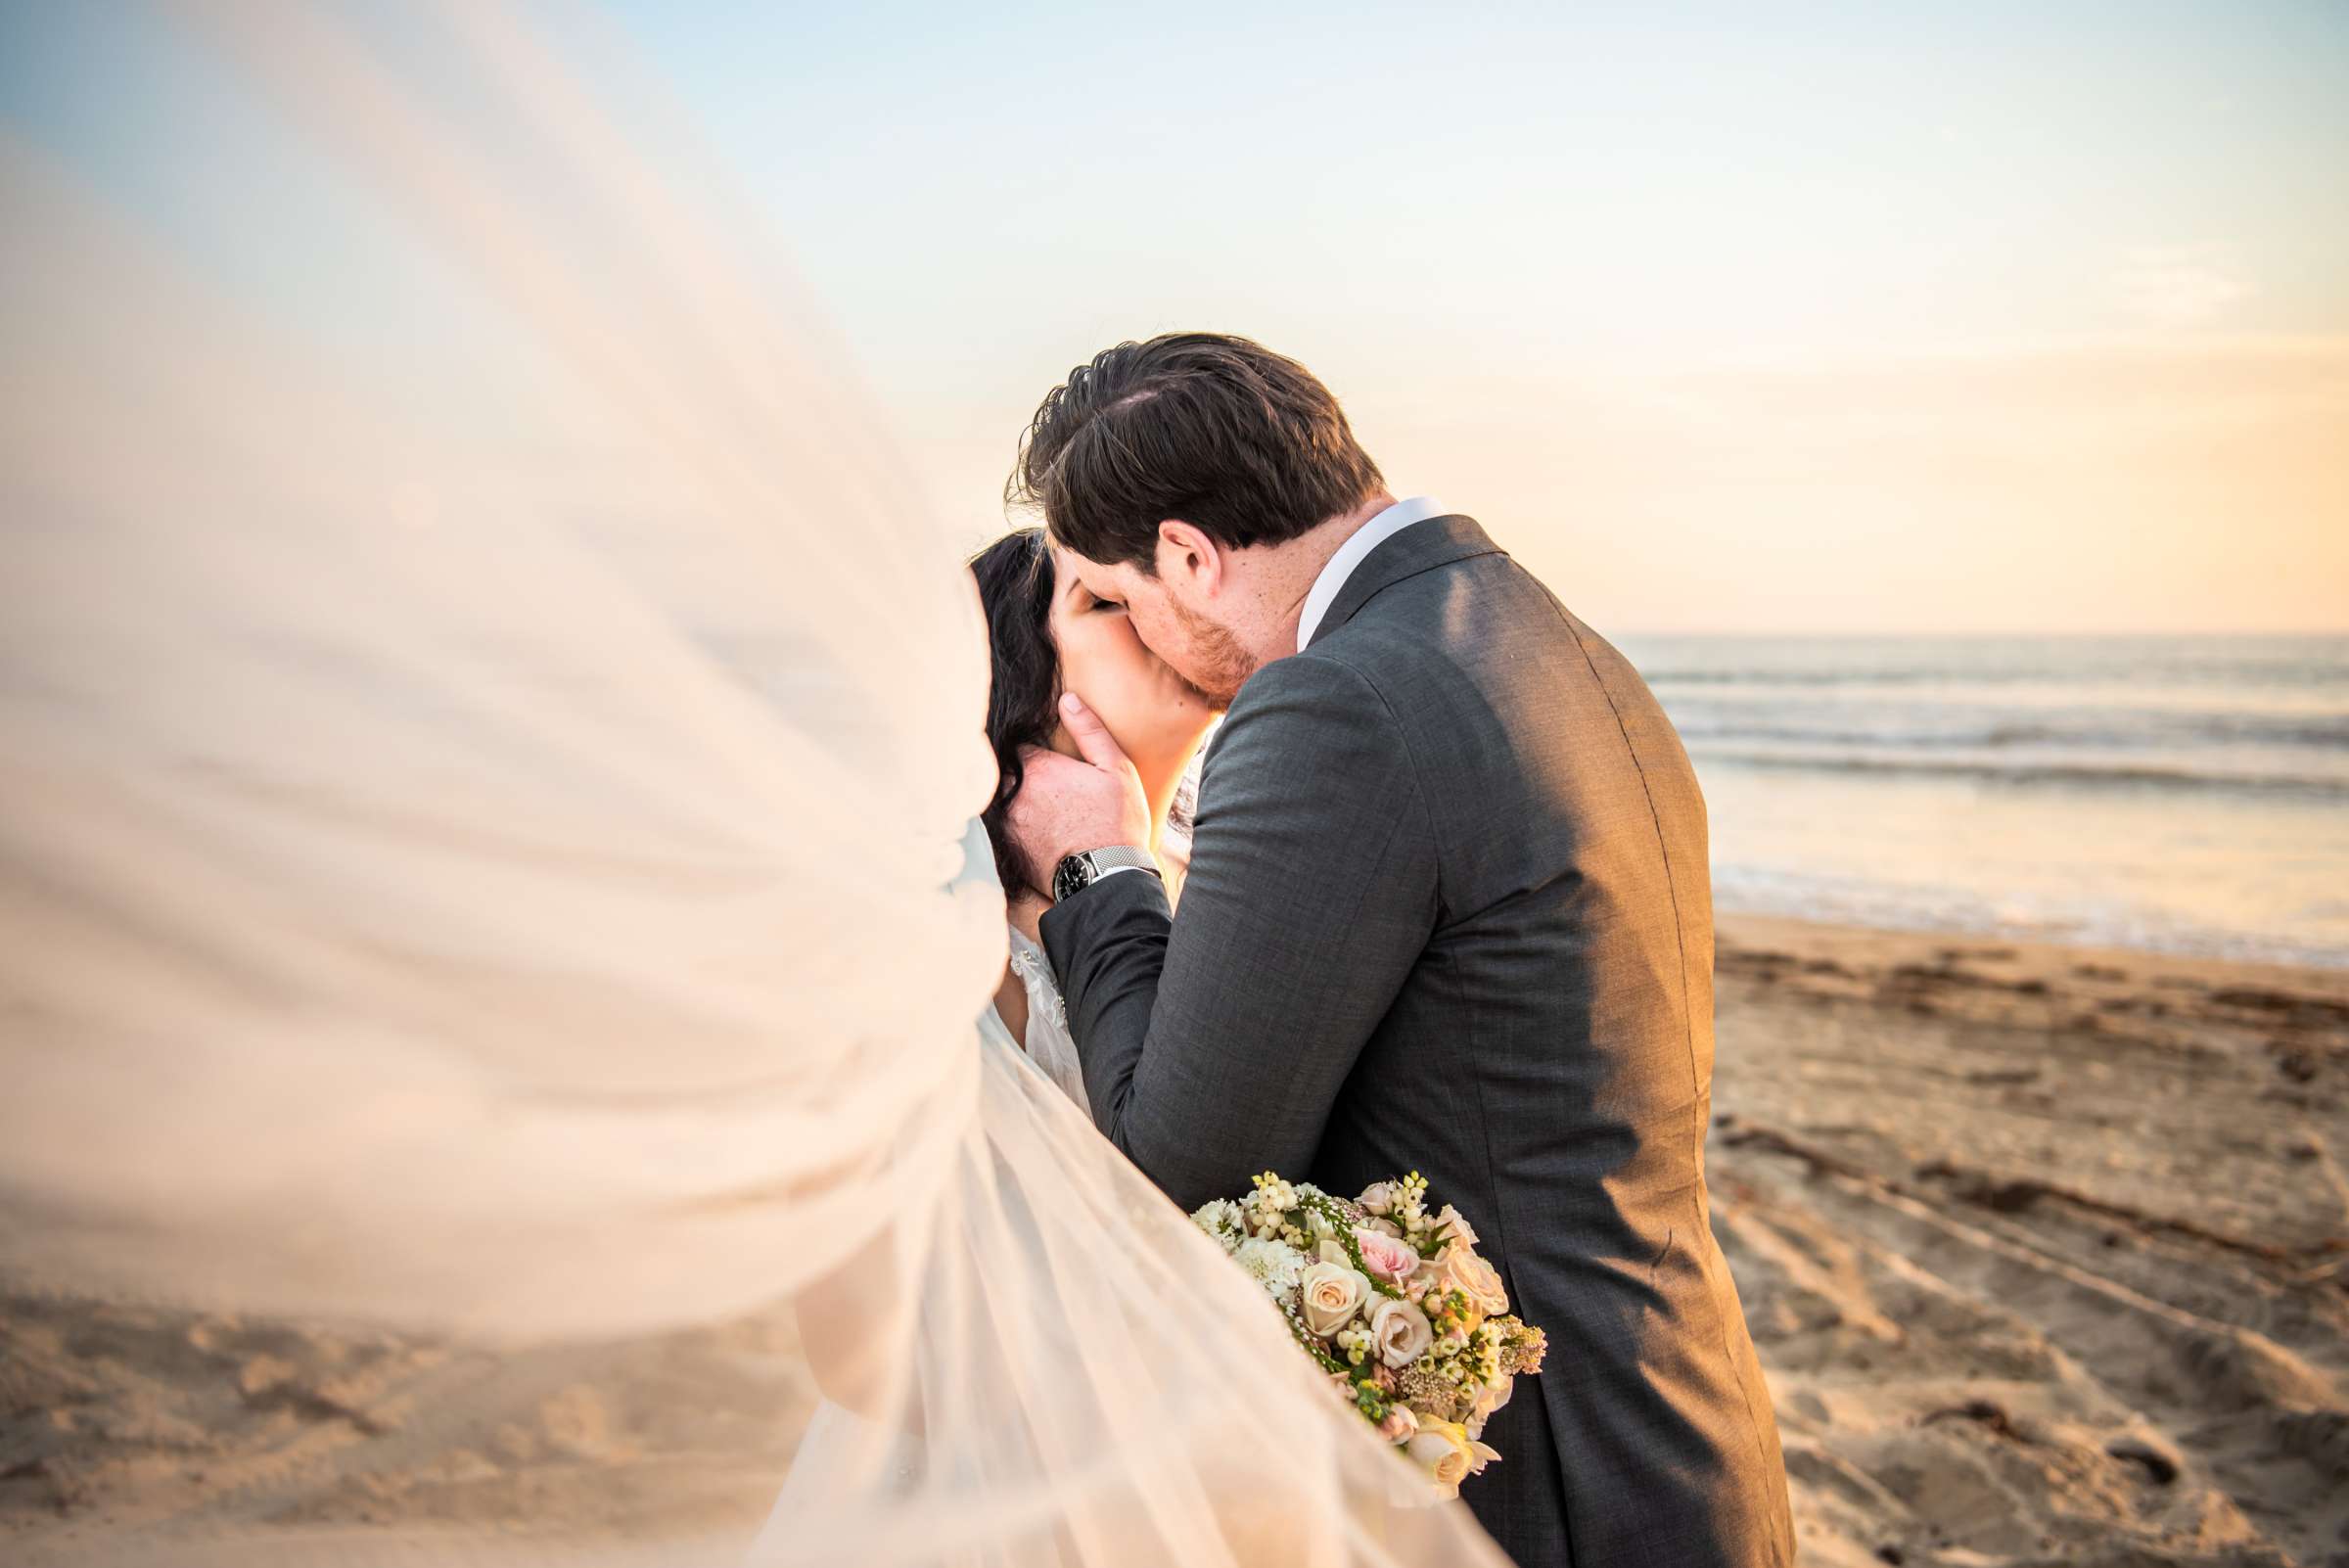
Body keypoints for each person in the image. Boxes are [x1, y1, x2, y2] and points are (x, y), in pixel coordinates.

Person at [1005, 333, 1796, 1568]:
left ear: (1189, 556)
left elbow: (1178, 1165)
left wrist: (1100, 864)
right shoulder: (1557, 642)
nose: (1149, 639)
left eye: (1126, 597)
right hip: (1681, 1427)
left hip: (1544, 1484)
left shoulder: (1341, 705)